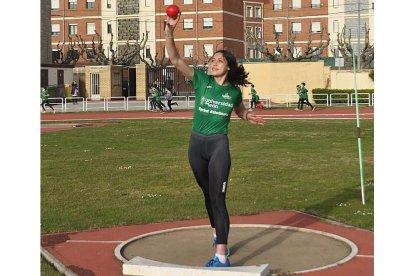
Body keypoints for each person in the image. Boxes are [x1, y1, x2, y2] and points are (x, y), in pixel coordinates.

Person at [165, 13, 266, 268]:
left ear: (228, 66)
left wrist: (247, 116)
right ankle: (218, 234)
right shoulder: (201, 80)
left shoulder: (233, 91)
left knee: (218, 198)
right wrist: (169, 32)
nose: (213, 63)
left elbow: (239, 110)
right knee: (207, 195)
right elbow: (175, 59)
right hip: (196, 145)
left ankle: (221, 255)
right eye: (211, 60)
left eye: (219, 60)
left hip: (218, 145)